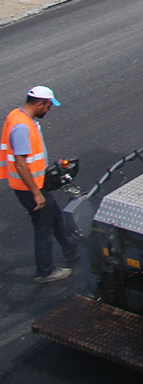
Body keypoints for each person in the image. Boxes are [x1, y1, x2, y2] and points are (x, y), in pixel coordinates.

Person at [2, 86, 79, 283]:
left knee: (55, 216)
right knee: (43, 227)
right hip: (30, 188)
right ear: (39, 104)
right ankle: (45, 271)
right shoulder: (22, 127)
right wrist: (37, 193)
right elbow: (20, 164)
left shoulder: (18, 116)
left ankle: (71, 250)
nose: (48, 110)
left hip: (37, 184)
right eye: (48, 106)